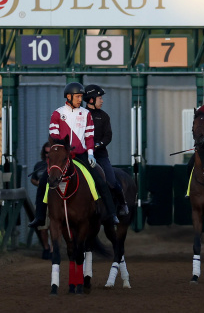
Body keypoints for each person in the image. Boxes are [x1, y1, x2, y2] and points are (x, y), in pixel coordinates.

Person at [28, 82, 119, 228]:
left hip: (82, 155)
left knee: (99, 180)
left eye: (81, 96)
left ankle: (111, 214)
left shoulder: (86, 113)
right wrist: (63, 151)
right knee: (44, 181)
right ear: (69, 96)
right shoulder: (57, 113)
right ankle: (39, 217)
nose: (80, 99)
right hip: (63, 156)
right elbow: (54, 135)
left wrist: (90, 154)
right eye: (77, 96)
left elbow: (89, 136)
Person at [83, 84, 130, 217]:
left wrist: (98, 145)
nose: (102, 101)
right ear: (91, 99)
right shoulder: (81, 115)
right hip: (83, 155)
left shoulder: (104, 116)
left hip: (101, 155)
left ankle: (122, 204)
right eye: (99, 98)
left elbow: (108, 136)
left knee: (111, 181)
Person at [28, 142, 53, 259]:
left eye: (50, 152)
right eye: (46, 152)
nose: (48, 155)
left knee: (54, 227)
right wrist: (38, 183)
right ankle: (46, 248)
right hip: (42, 201)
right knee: (42, 228)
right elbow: (33, 179)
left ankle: (54, 249)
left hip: (54, 201)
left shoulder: (57, 165)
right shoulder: (39, 165)